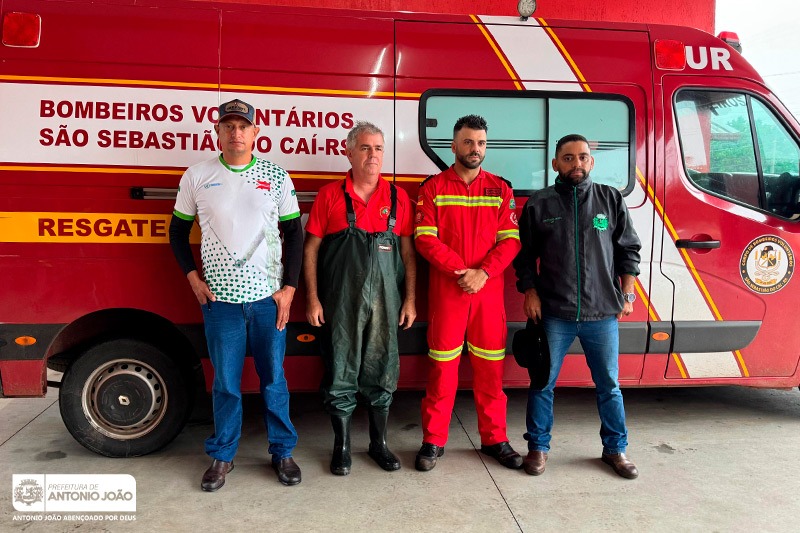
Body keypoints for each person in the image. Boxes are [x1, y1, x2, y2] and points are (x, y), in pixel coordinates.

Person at [169, 98, 303, 491]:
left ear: (255, 133)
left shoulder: (276, 176)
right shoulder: (197, 175)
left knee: (274, 379)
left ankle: (282, 451)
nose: (236, 133)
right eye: (228, 126)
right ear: (217, 132)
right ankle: (223, 456)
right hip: (220, 304)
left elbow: (293, 234)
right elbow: (177, 232)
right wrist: (192, 277)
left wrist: (290, 289)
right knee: (226, 383)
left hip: (268, 301)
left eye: (243, 126)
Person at [513, 133, 642, 479]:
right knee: (542, 383)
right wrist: (530, 291)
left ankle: (615, 449)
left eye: (583, 157)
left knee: (609, 386)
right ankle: (538, 448)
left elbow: (628, 250)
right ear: (555, 164)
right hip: (554, 312)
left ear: (592, 162)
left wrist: (627, 294)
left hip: (602, 313)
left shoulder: (610, 199)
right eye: (568, 158)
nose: (576, 164)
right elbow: (524, 257)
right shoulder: (540, 204)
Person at [304, 121, 417, 476]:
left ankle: (379, 444)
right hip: (341, 304)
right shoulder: (329, 196)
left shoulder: (399, 198)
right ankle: (342, 446)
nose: (373, 155)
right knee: (341, 370)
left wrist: (410, 299)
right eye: (365, 148)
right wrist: (312, 299)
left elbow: (409, 255)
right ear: (349, 152)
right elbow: (310, 250)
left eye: (379, 148)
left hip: (386, 304)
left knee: (382, 370)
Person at [414, 115, 523, 471]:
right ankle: (433, 441)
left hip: (487, 296)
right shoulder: (433, 188)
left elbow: (511, 241)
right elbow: (425, 238)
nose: (474, 149)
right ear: (454, 145)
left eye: (480, 143)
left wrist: (484, 273)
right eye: (467, 142)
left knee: (491, 372)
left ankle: (495, 439)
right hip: (449, 293)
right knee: (442, 371)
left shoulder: (500, 189)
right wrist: (464, 272)